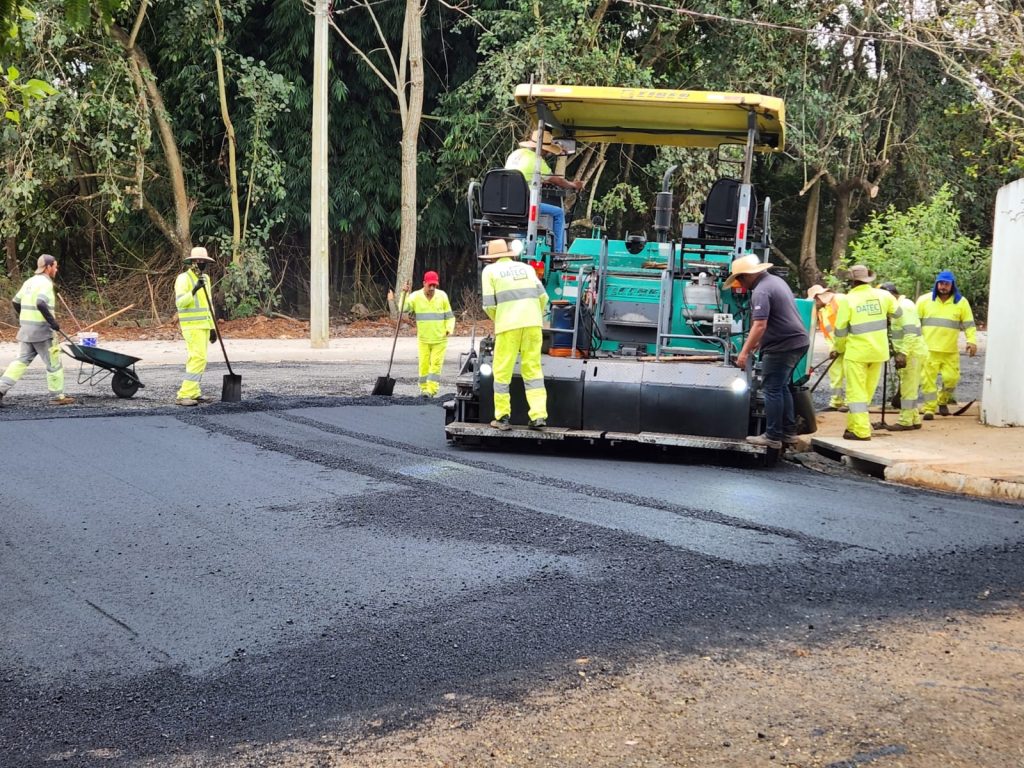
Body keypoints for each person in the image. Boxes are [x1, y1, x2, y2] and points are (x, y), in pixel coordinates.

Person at [728, 255, 810, 451]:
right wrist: (758, 343)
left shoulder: (761, 291)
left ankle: (772, 436)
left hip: (783, 345)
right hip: (797, 341)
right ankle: (788, 432)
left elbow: (759, 324)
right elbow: (775, 319)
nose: (739, 283)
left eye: (739, 279)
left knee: (771, 388)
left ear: (747, 276)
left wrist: (744, 352)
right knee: (782, 387)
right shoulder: (775, 281)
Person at [480, 238, 548, 430]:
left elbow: (489, 305)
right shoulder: (526, 268)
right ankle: (538, 415)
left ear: (491, 258)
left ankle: (502, 417)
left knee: (502, 371)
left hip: (508, 326)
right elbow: (543, 297)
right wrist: (535, 315)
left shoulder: (490, 271)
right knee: (533, 370)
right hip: (533, 324)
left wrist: (500, 318)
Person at [832, 265, 901, 441]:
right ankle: (852, 426)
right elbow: (899, 313)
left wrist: (838, 348)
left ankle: (861, 431)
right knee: (866, 392)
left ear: (852, 281)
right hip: (878, 352)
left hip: (857, 353)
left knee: (856, 393)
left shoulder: (848, 300)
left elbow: (840, 330)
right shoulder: (884, 295)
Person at [0, 254, 76, 406]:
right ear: (48, 267)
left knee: (21, 361)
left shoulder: (30, 281)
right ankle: (57, 396)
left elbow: (16, 301)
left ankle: (0, 389)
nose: (56, 269)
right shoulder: (46, 284)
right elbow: (41, 303)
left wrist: (24, 317)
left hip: (27, 330)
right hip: (42, 332)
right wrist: (52, 322)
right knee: (54, 363)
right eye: (55, 266)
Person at [504, 128, 583, 254]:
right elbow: (558, 181)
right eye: (547, 151)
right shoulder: (537, 160)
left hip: (505, 204)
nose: (547, 153)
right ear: (541, 148)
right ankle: (559, 253)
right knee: (558, 213)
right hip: (525, 206)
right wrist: (573, 185)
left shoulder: (515, 154)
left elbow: (522, 177)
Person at [916, 270, 977, 419]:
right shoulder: (924, 300)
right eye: (941, 283)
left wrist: (971, 341)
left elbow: (969, 324)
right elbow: (914, 323)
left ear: (952, 285)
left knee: (951, 379)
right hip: (928, 349)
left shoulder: (961, 302)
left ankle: (942, 400)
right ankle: (929, 409)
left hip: (949, 350)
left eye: (947, 284)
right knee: (927, 381)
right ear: (936, 284)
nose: (943, 286)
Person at [388, 271, 455, 398]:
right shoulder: (416, 296)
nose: (432, 288)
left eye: (434, 285)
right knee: (424, 365)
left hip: (440, 339)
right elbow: (404, 308)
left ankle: (431, 390)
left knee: (435, 365)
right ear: (424, 283)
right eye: (430, 285)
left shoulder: (442, 296)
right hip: (423, 339)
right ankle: (423, 390)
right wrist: (404, 293)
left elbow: (450, 316)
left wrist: (449, 329)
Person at [880, 282, 928, 431]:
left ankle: (905, 421)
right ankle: (914, 418)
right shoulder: (898, 307)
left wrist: (903, 353)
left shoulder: (904, 307)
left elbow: (910, 333)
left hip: (912, 353)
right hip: (911, 352)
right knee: (910, 387)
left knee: (908, 388)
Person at [174, 246, 216, 406]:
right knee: (197, 358)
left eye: (203, 261)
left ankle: (194, 392)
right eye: (198, 261)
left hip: (204, 325)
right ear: (191, 262)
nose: (200, 263)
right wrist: (194, 290)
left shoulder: (206, 278)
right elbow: (180, 303)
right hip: (191, 326)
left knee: (202, 359)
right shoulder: (183, 279)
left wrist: (212, 327)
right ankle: (184, 394)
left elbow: (208, 304)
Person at [806, 284, 847, 411]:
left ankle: (850, 403)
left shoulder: (840, 300)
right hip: (836, 347)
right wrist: (834, 348)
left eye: (814, 301)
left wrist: (840, 345)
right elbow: (829, 332)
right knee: (835, 375)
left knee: (851, 374)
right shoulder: (822, 310)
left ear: (818, 297)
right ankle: (836, 402)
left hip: (848, 344)